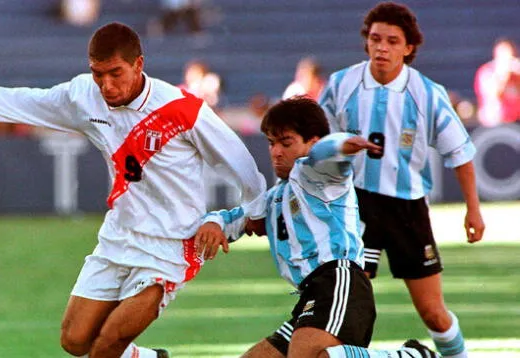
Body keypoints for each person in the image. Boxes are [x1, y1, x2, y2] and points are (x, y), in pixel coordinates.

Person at [0, 22, 267, 358]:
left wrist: (252, 211)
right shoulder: (84, 97)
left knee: (107, 346)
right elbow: (24, 102)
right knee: (75, 341)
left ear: (139, 64)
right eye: (98, 74)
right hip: (119, 237)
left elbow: (239, 161)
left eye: (115, 73)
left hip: (171, 245)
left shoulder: (183, 109)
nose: (106, 84)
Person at [195, 96, 439, 358]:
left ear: (312, 142)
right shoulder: (275, 197)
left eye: (286, 143)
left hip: (338, 280)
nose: (276, 151)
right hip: (311, 294)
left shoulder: (316, 174)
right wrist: (214, 222)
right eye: (271, 143)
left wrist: (342, 144)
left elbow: (327, 152)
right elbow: (238, 217)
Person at [318, 3, 485, 357]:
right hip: (356, 206)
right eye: (376, 39)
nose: (382, 47)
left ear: (408, 48)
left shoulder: (427, 93)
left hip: (408, 209)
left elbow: (461, 153)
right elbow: (316, 144)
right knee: (349, 306)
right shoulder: (340, 84)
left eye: (393, 41)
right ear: (366, 42)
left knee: (433, 313)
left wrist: (473, 210)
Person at [474, 38, 520, 127]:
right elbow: (491, 96)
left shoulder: (516, 74)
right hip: (495, 122)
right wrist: (502, 75)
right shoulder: (487, 71)